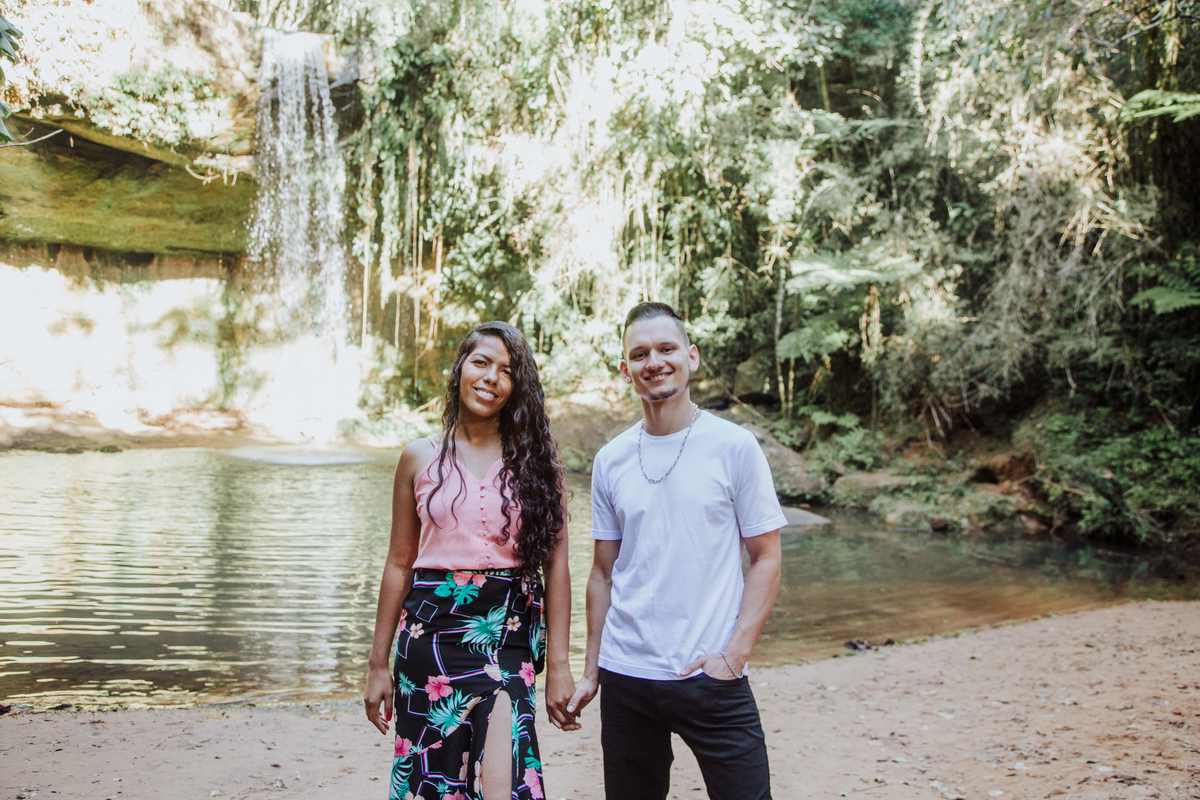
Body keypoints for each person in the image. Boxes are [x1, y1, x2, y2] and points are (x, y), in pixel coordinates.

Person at [566, 301, 786, 800]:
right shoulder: (611, 459)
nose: (655, 362)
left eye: (667, 348)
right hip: (626, 676)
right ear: (625, 369)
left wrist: (735, 654)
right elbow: (602, 573)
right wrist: (592, 670)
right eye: (640, 354)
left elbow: (767, 557)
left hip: (712, 675)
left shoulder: (734, 446)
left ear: (692, 356)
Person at [365, 321, 578, 800]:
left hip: (507, 634)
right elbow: (399, 562)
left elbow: (557, 566)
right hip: (429, 638)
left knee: (505, 781)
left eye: (507, 371)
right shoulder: (418, 457)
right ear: (460, 367)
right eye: (481, 362)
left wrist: (560, 665)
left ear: (518, 387)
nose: (491, 378)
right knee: (434, 784)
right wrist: (378, 663)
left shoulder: (540, 463)